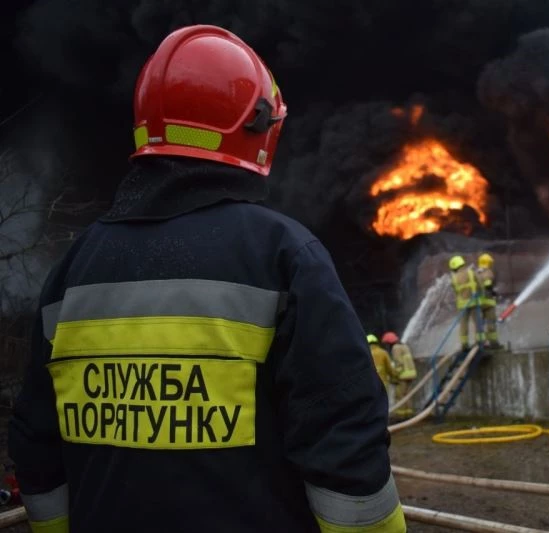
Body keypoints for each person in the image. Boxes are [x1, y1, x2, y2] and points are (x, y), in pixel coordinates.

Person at [8, 25, 405, 533]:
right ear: (256, 126)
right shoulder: (283, 255)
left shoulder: (74, 267)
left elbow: (37, 449)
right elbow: (345, 445)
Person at [449, 255, 481, 350]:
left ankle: (464, 344)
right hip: (474, 302)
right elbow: (480, 285)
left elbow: (455, 291)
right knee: (477, 322)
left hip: (462, 305)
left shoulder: (454, 278)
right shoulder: (471, 273)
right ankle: (479, 342)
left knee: (463, 324)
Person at [381, 332, 417, 418]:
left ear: (389, 342)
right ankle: (409, 414)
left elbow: (399, 363)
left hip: (403, 375)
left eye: (387, 343)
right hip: (411, 374)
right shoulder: (404, 346)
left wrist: (395, 375)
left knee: (399, 396)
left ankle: (400, 416)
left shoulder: (395, 348)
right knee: (407, 395)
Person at [476, 253, 501, 349]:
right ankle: (493, 343)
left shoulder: (476, 273)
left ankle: (481, 343)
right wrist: (494, 293)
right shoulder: (488, 272)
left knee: (480, 325)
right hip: (488, 302)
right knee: (491, 323)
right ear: (488, 263)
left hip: (478, 303)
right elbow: (488, 285)